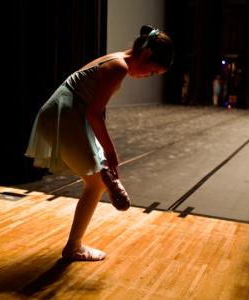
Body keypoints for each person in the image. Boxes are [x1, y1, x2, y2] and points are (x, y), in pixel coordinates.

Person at [25, 25, 174, 261]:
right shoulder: (118, 67)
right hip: (65, 115)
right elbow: (94, 113)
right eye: (153, 71)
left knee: (96, 179)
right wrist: (111, 151)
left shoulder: (117, 60)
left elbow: (91, 112)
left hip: (69, 113)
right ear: (145, 55)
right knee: (95, 184)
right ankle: (74, 246)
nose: (149, 76)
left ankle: (107, 175)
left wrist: (105, 151)